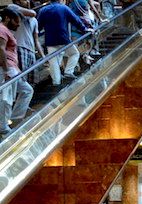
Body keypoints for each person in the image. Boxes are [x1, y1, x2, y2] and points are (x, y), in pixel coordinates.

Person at [37, 0, 89, 85]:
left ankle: (56, 83)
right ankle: (68, 71)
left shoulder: (43, 10)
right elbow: (75, 20)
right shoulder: (64, 8)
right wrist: (84, 29)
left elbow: (38, 26)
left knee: (54, 64)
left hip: (50, 41)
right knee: (74, 54)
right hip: (63, 39)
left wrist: (36, 37)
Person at [0, 7, 33, 137]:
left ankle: (13, 120)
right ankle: (3, 126)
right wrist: (6, 70)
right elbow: (1, 50)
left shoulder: (6, 30)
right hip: (6, 68)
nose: (18, 24)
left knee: (27, 90)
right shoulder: (2, 29)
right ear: (7, 18)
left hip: (12, 68)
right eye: (16, 21)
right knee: (6, 98)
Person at [7, 0, 44, 84]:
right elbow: (33, 13)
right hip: (19, 47)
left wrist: (43, 55)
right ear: (18, 1)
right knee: (21, 80)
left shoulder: (34, 20)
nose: (27, 1)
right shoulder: (12, 7)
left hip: (31, 50)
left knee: (31, 82)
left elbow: (36, 40)